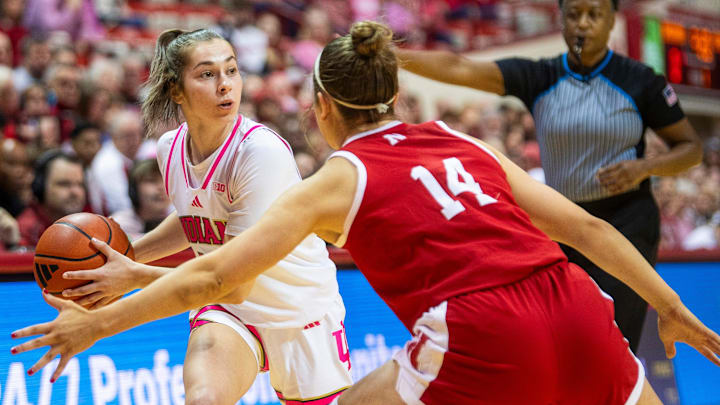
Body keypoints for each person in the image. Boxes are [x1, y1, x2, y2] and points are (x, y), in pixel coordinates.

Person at [12, 21, 720, 405]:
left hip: (472, 324)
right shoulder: (463, 141)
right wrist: (670, 304)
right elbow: (588, 229)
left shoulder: (334, 177)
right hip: (575, 302)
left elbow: (210, 276)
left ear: (321, 107)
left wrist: (98, 321)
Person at [35, 28, 353, 405]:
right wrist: (119, 259)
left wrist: (133, 277)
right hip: (228, 310)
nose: (225, 85)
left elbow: (232, 281)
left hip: (299, 311)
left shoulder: (259, 153)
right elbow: (194, 217)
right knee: (203, 399)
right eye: (207, 74)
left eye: (231, 71)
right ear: (176, 90)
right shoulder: (169, 148)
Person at [394, 0, 704, 353]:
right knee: (559, 341)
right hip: (563, 226)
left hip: (627, 225)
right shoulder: (539, 75)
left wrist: (645, 167)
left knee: (614, 344)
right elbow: (459, 67)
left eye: (594, 14)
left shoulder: (641, 80)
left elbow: (690, 148)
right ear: (560, 19)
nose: (583, 24)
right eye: (573, 14)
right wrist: (396, 57)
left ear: (611, 20)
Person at [17, 149, 85, 247]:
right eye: (64, 184)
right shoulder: (26, 230)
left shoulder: (87, 224)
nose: (76, 192)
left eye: (80, 184)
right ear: (40, 186)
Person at [110, 158, 171, 241]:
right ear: (134, 190)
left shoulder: (182, 219)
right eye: (152, 181)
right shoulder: (117, 225)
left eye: (165, 180)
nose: (161, 187)